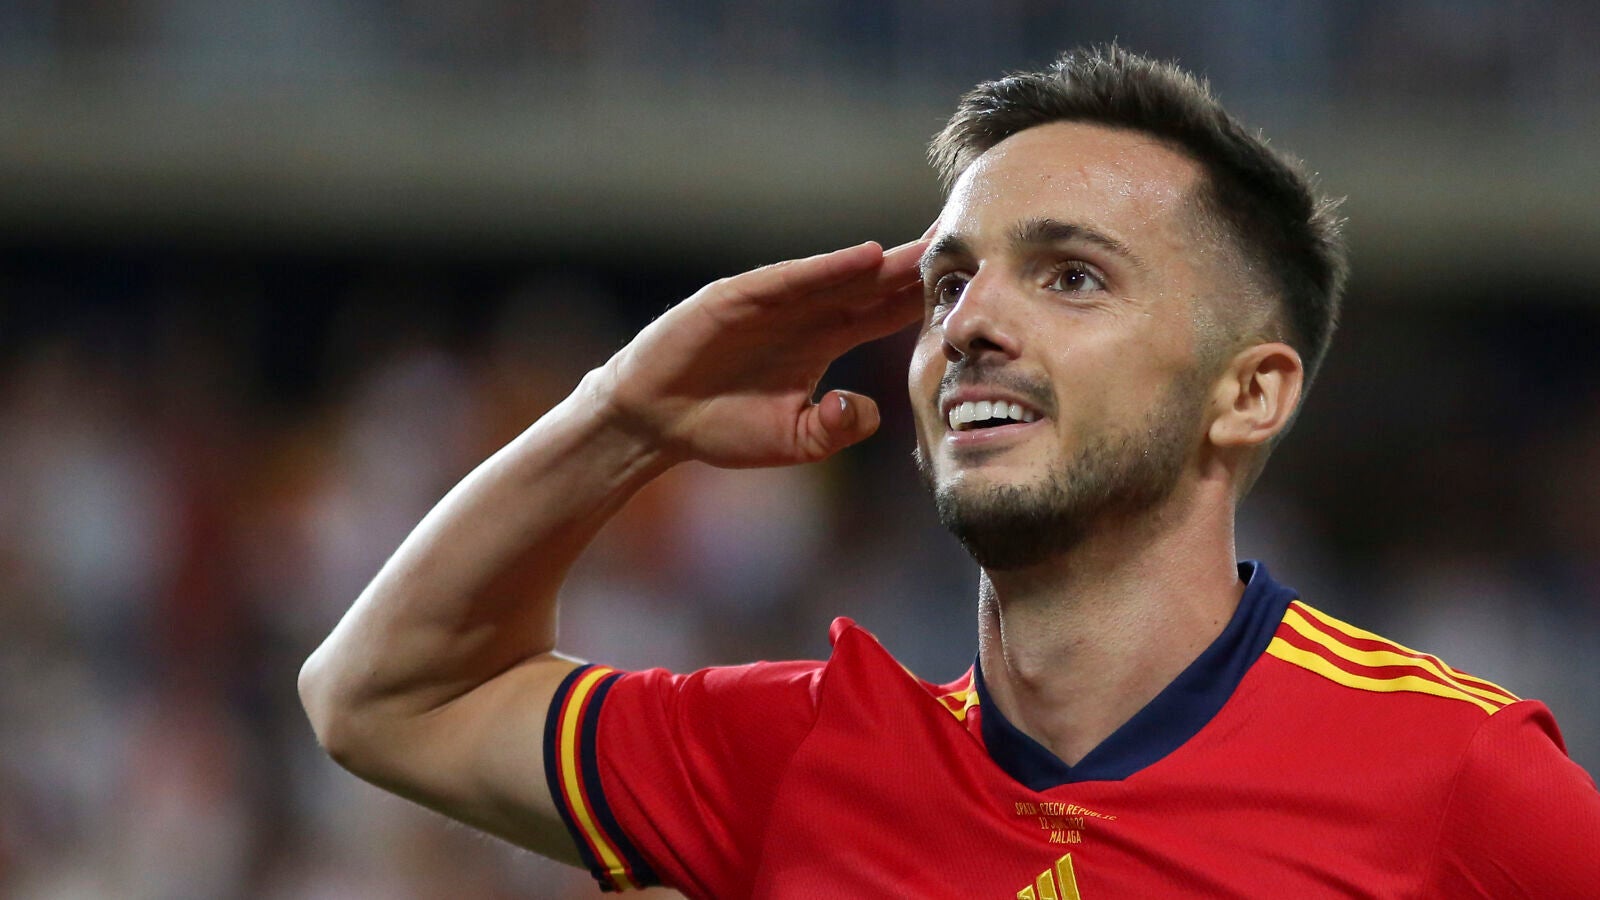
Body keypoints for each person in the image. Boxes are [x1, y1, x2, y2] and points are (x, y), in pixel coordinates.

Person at [299, 45, 1600, 897]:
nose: (971, 322)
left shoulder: (1460, 778)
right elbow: (383, 699)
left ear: (1247, 394)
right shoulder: (805, 757)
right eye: (949, 281)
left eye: (1071, 276)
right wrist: (624, 414)